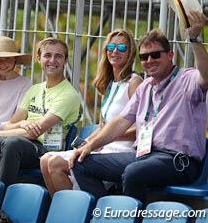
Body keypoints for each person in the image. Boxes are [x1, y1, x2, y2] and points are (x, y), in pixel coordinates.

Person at [69, 11, 208, 203]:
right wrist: (90, 145)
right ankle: (106, 215)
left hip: (177, 161)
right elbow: (120, 122)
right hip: (143, 156)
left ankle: (127, 217)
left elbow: (206, 75)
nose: (149, 61)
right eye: (144, 57)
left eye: (155, 55)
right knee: (80, 163)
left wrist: (194, 38)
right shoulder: (145, 87)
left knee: (133, 172)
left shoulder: (187, 78)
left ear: (170, 55)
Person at [0, 37, 81, 190]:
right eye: (47, 55)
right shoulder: (35, 89)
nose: (52, 60)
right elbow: (12, 124)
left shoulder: (68, 94)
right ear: (39, 58)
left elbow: (35, 132)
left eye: (58, 56)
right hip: (20, 142)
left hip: (43, 149)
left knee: (12, 143)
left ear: (65, 60)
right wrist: (22, 123)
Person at [40, 29, 143, 197]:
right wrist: (87, 142)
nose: (115, 51)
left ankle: (76, 213)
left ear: (130, 52)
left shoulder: (135, 83)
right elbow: (102, 127)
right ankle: (65, 211)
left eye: (122, 48)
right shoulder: (108, 85)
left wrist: (106, 138)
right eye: (111, 46)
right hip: (102, 148)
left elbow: (142, 130)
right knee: (45, 160)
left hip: (121, 152)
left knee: (56, 164)